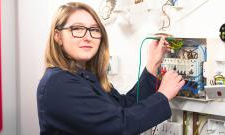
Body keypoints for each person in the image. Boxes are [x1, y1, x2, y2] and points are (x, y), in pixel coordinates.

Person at [37, 2, 185, 135]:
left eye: (94, 30)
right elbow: (118, 126)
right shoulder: (58, 83)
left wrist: (152, 65)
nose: (87, 37)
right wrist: (163, 95)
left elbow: (125, 106)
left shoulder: (86, 77)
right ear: (58, 36)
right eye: (77, 29)